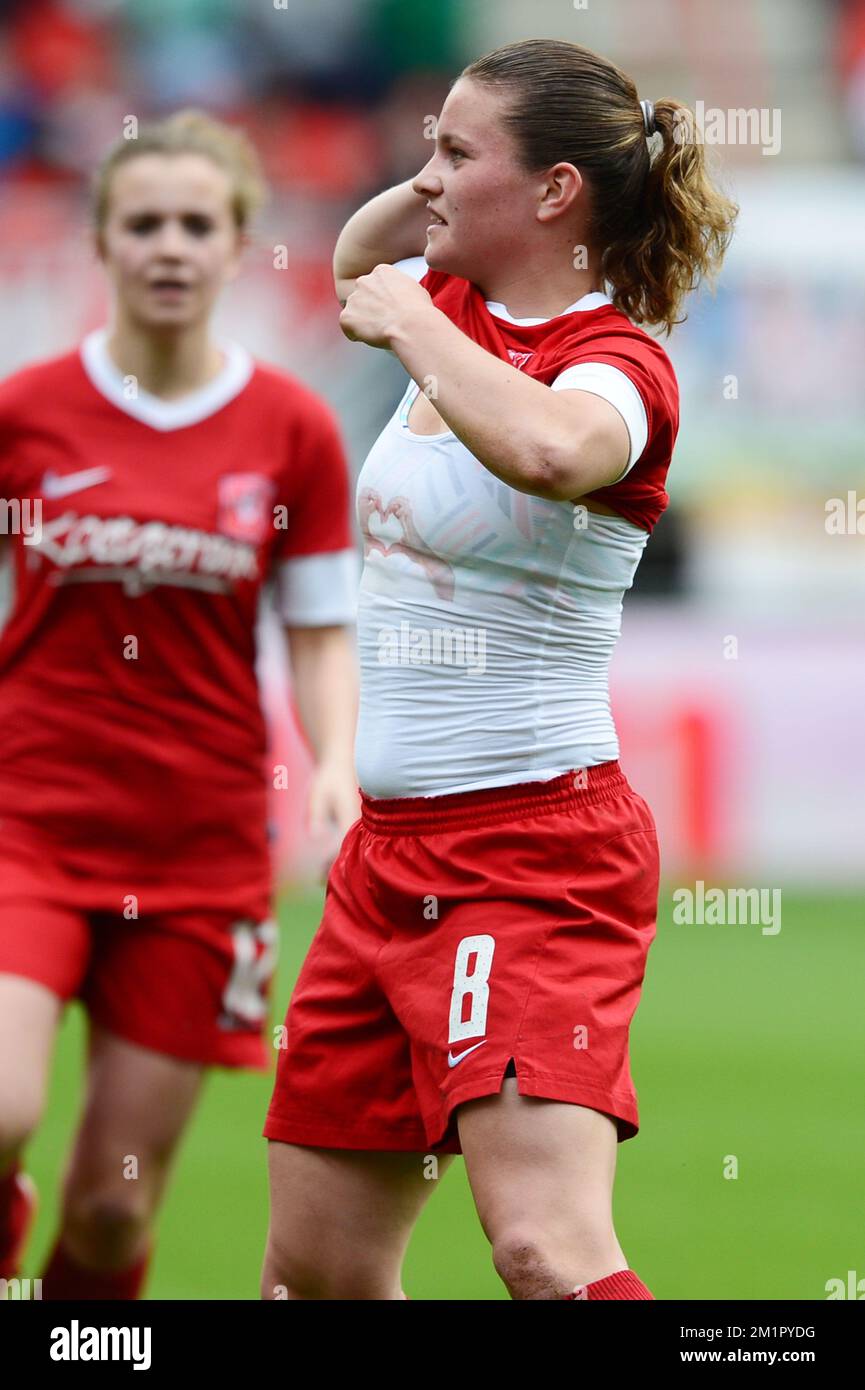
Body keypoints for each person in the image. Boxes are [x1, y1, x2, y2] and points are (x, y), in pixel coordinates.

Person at [261, 38, 737, 1301]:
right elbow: (359, 270)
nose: (424, 179)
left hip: (531, 856)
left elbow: (546, 448)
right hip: (384, 862)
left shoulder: (617, 365)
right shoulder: (451, 306)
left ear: (554, 192)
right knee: (314, 1275)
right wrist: (430, 208)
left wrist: (415, 306)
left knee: (541, 1250)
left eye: (455, 155)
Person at [0, 109, 360, 1299]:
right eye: (142, 222)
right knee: (0, 1106)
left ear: (237, 244)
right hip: (27, 821)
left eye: (197, 224)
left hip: (198, 853)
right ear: (99, 242)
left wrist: (334, 763)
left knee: (111, 1212)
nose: (169, 246)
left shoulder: (293, 431)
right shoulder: (27, 414)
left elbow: (317, 635)